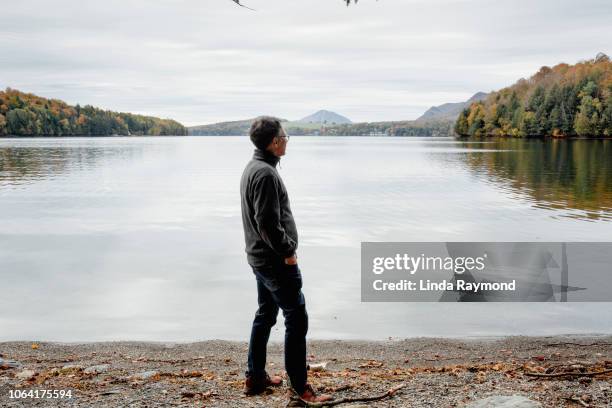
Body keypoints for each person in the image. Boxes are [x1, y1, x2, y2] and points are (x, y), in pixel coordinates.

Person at [240, 117, 331, 402]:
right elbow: (266, 222)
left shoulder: (255, 167)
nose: (287, 139)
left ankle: (255, 378)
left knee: (266, 314)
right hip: (274, 261)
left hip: (259, 258)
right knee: (296, 317)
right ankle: (300, 388)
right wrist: (288, 252)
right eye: (285, 136)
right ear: (275, 142)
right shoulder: (265, 174)